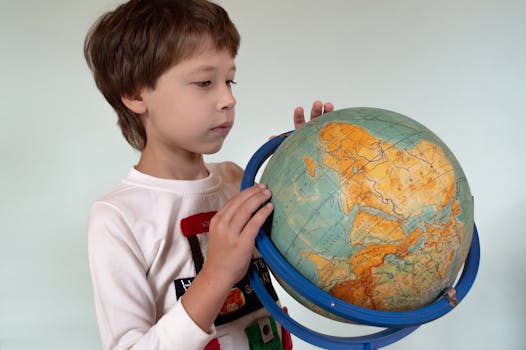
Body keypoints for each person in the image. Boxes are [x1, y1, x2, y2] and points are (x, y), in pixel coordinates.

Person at [84, 0, 333, 349]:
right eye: (204, 82)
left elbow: (305, 264)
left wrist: (310, 179)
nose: (227, 99)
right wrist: (216, 274)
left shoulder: (236, 179)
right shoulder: (117, 217)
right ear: (135, 94)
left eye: (230, 81)